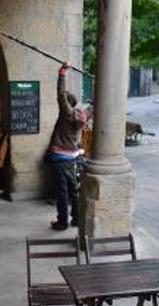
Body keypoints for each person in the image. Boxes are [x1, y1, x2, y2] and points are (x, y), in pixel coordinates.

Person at [47, 62, 91, 231]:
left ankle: (62, 221)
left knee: (62, 191)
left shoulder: (66, 114)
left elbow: (60, 94)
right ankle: (76, 219)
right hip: (71, 157)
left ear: (67, 104)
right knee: (73, 188)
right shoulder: (84, 116)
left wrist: (62, 72)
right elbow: (93, 106)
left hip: (59, 157)